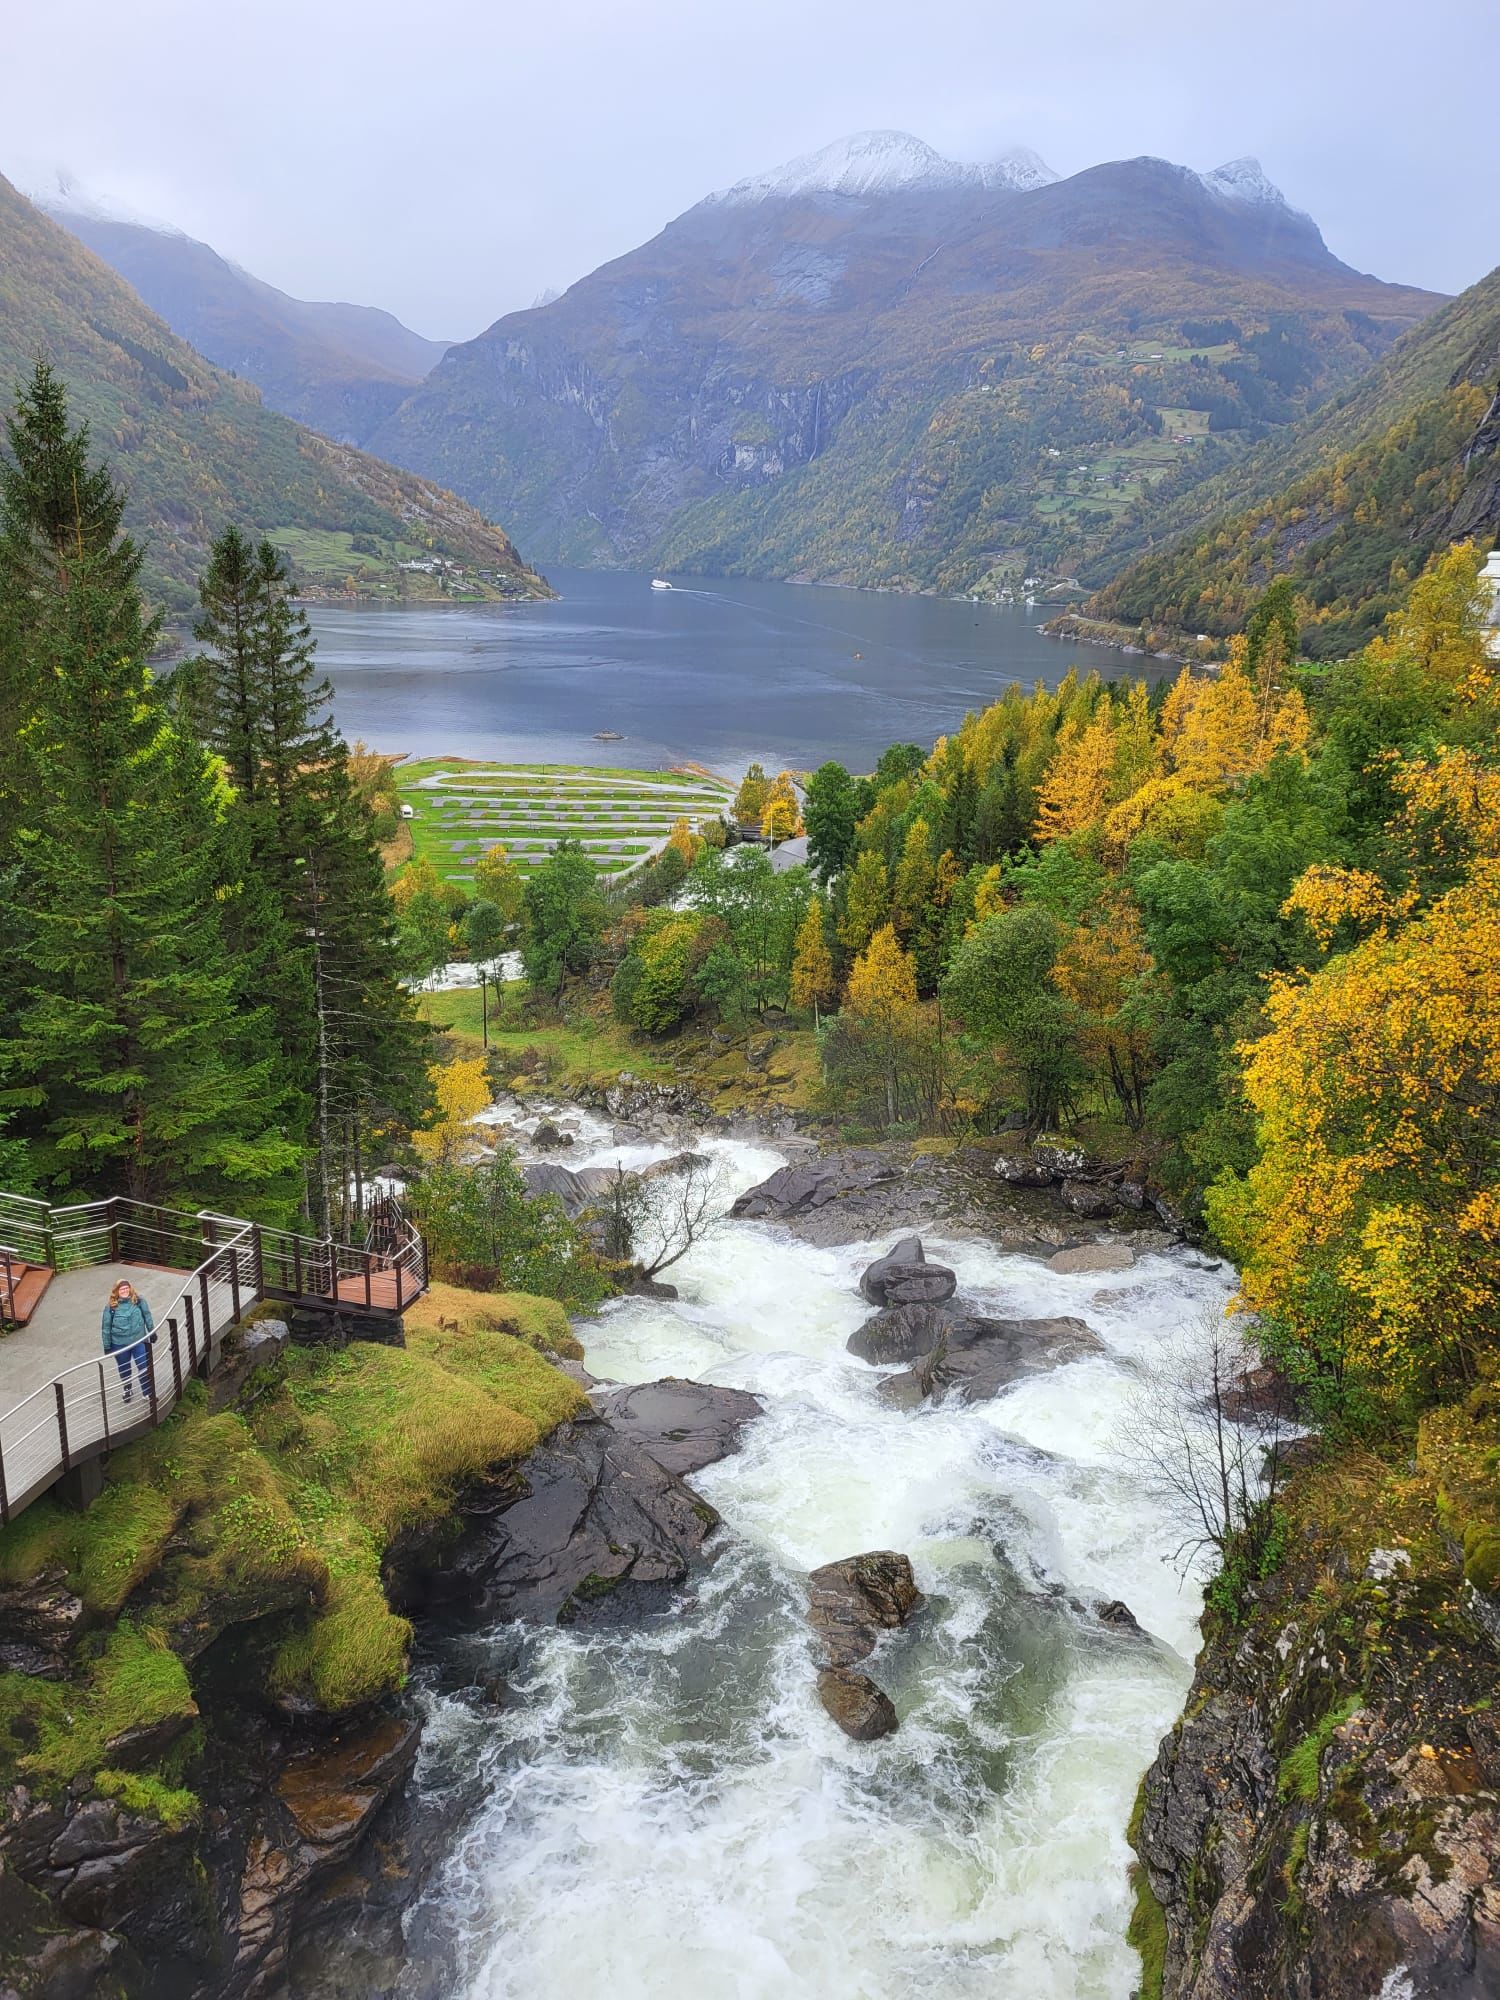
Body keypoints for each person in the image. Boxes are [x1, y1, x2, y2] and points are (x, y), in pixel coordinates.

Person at [101, 1280, 154, 1404]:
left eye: (126, 1288)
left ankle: (147, 1393)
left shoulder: (139, 1301)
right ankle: (127, 1389)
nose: (124, 1291)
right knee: (124, 1369)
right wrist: (107, 1345)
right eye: (121, 1289)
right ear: (116, 1291)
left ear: (130, 1288)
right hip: (119, 1344)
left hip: (139, 1341)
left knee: (143, 1366)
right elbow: (106, 1327)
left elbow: (147, 1315)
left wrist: (152, 1331)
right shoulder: (111, 1307)